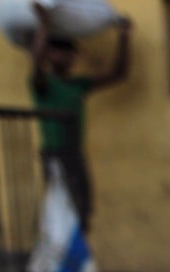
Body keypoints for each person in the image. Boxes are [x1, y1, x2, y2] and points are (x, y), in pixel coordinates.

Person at [30, 1, 132, 234]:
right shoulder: (43, 84)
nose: (65, 57)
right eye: (58, 53)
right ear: (48, 55)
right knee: (61, 210)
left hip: (75, 154)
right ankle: (56, 263)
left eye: (69, 53)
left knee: (82, 209)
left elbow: (119, 74)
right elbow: (35, 62)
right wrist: (44, 25)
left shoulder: (78, 85)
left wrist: (124, 37)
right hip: (55, 154)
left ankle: (76, 260)